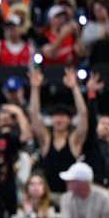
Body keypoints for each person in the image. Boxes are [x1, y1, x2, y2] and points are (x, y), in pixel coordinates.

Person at [28, 67, 89, 200]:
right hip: (48, 197)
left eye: (63, 116)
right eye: (55, 116)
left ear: (69, 120)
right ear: (51, 119)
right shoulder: (46, 140)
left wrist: (74, 88)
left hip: (71, 196)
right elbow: (34, 115)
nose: (59, 119)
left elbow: (83, 115)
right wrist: (35, 88)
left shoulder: (74, 141)